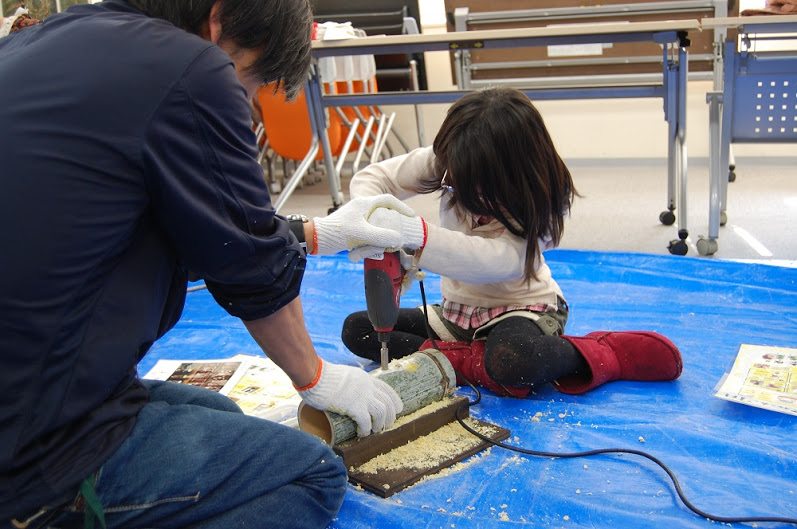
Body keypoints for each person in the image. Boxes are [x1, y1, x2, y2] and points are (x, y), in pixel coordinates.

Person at [0, 0, 425, 527]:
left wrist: (317, 233)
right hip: (31, 452)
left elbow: (174, 217)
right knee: (311, 471)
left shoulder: (38, 43)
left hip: (31, 388)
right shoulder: (190, 66)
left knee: (223, 415)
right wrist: (314, 375)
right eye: (250, 82)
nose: (246, 103)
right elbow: (245, 263)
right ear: (220, 20)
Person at [341, 87, 683, 400]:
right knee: (359, 329)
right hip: (456, 315)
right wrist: (372, 218)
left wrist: (414, 236)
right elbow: (374, 177)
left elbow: (492, 262)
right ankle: (464, 360)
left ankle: (598, 351)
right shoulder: (455, 160)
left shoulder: (542, 202)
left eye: (472, 187)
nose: (457, 189)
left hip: (521, 308)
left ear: (510, 177)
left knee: (513, 362)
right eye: (454, 181)